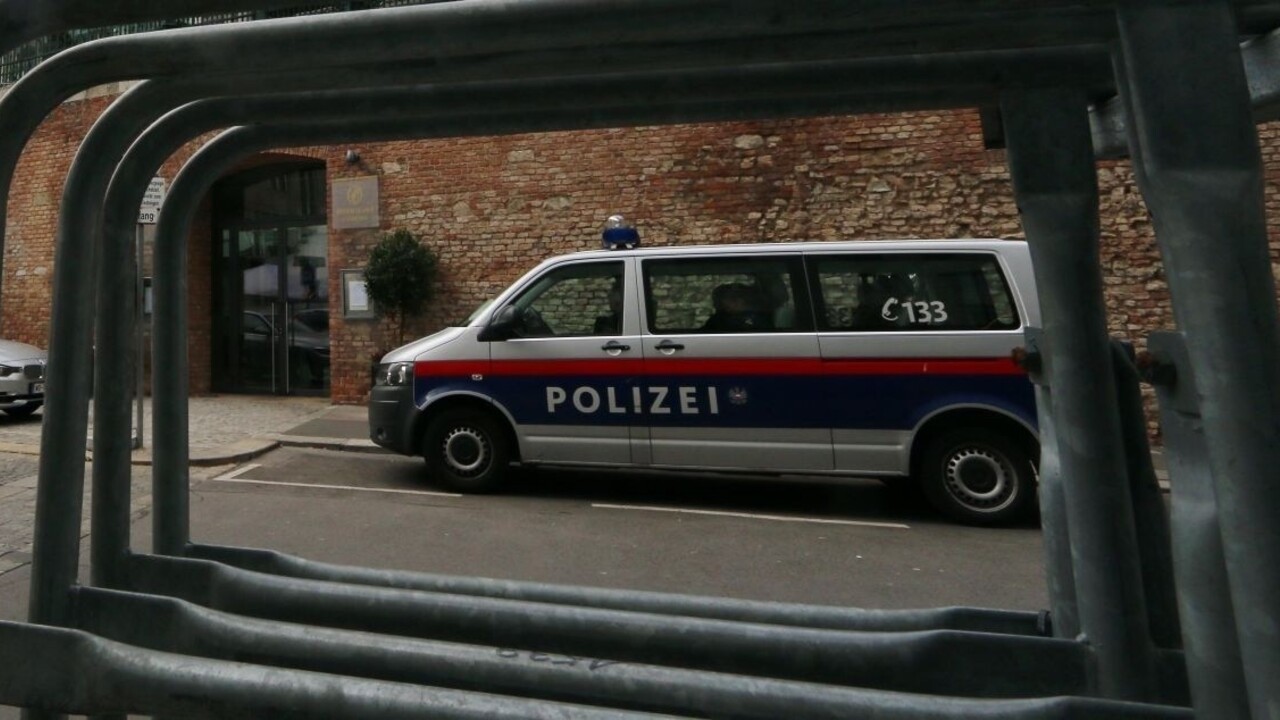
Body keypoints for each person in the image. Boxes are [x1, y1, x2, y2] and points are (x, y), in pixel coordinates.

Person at [702, 282, 772, 332]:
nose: (717, 305)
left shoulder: (758, 319)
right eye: (717, 301)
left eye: (731, 299)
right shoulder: (718, 319)